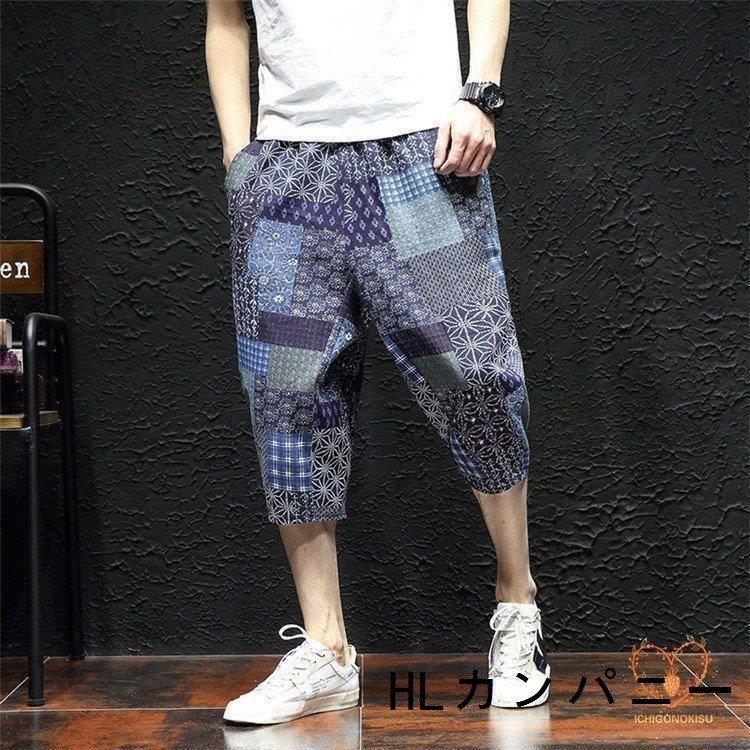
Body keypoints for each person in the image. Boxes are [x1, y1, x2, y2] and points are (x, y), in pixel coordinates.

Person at [205, 0, 549, 724]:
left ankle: (518, 602)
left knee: (477, 375)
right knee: (288, 402)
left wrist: (480, 92)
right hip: (287, 170)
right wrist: (239, 156)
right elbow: (227, 20)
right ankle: (327, 648)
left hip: (422, 152)